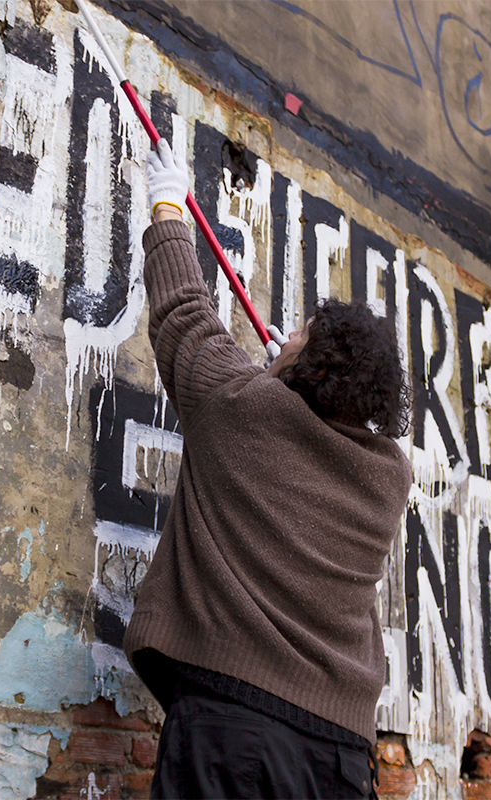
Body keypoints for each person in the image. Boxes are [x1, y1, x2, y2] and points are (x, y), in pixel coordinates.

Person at [122, 139, 413, 800]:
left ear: (309, 367)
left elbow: (183, 317)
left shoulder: (239, 407)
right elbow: (312, 430)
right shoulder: (389, 477)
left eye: (301, 332)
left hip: (234, 732)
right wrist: (292, 373)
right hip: (340, 755)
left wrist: (168, 206)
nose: (287, 334)